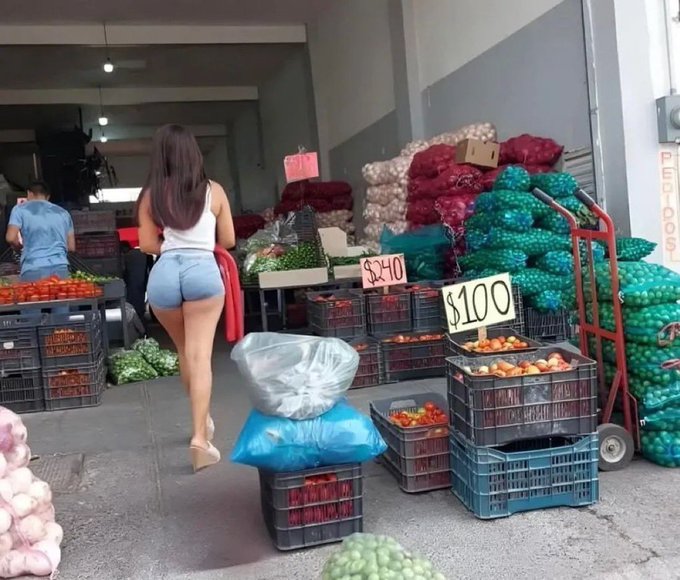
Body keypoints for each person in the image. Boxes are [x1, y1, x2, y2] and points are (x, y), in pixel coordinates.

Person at [137, 124, 235, 473]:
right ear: (194, 154)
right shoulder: (215, 191)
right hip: (202, 272)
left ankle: (202, 420)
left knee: (183, 352)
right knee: (200, 356)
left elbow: (148, 245)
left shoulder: (152, 195)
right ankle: (200, 437)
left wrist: (173, 244)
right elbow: (228, 239)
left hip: (164, 275)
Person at [5, 181, 75, 281]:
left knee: (34, 296)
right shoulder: (63, 213)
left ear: (29, 193)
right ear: (48, 196)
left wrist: (18, 248)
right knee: (62, 295)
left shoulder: (19, 209)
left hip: (32, 267)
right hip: (61, 267)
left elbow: (10, 238)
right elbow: (71, 247)